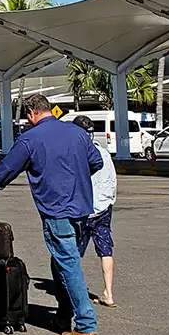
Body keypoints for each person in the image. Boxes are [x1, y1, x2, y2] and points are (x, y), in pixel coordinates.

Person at [0, 93, 104, 335]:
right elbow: (96, 161)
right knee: (62, 262)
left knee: (67, 263)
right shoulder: (77, 133)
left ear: (31, 114)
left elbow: (7, 170)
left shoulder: (30, 138)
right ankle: (63, 315)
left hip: (56, 209)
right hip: (81, 206)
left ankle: (86, 323)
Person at [72, 115, 118, 308]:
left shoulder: (77, 155)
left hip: (83, 210)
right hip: (104, 208)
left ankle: (75, 291)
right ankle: (109, 292)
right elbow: (112, 180)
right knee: (105, 249)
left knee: (74, 252)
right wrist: (109, 201)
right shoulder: (104, 153)